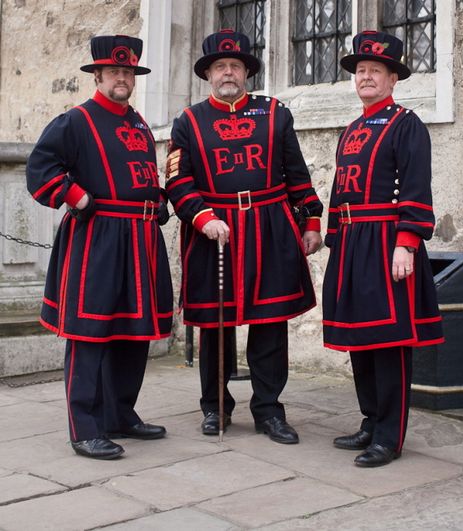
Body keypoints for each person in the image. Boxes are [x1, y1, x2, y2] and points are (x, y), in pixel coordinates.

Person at [166, 29, 323, 444]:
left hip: (270, 226)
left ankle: (269, 411)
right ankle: (215, 408)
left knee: (270, 323)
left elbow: (297, 175)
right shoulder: (189, 121)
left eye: (235, 66)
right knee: (216, 324)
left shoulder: (274, 113)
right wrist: (202, 217)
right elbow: (177, 182)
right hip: (214, 231)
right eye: (221, 67)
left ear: (247, 72)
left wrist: (311, 222)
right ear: (209, 75)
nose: (228, 73)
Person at [26, 35, 173, 460]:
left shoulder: (139, 123)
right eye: (115, 72)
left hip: (141, 240)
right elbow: (40, 171)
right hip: (97, 241)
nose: (123, 78)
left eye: (128, 73)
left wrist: (157, 200)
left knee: (133, 333)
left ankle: (119, 415)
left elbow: (141, 175)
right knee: (90, 332)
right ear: (98, 75)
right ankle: (84, 427)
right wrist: (78, 198)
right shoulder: (75, 121)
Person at [323, 30, 444, 467]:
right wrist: (333, 238)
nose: (367, 77)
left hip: (387, 241)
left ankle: (389, 437)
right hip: (353, 244)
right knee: (360, 338)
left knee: (389, 340)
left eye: (376, 70)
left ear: (393, 79)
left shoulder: (406, 124)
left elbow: (415, 187)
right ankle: (371, 420)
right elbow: (340, 191)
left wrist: (406, 244)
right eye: (361, 71)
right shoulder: (352, 129)